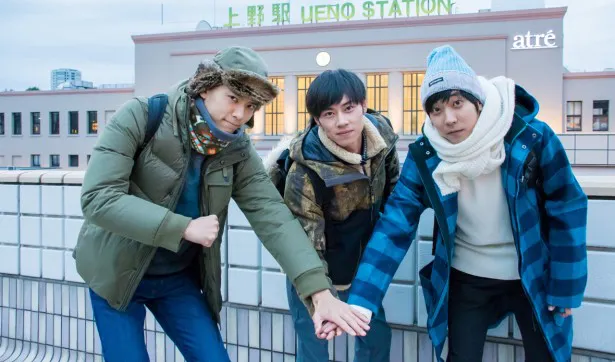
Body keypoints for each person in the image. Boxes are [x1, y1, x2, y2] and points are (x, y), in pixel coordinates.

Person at [74, 46, 369, 362]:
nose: (240, 114)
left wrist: (319, 293)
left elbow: (273, 216)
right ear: (206, 86)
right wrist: (183, 227)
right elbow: (98, 198)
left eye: (251, 105)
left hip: (176, 277)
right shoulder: (142, 116)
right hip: (116, 271)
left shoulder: (236, 148)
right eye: (233, 98)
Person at [325, 45, 587, 362]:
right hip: (467, 277)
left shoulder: (530, 136)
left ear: (478, 101)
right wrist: (362, 299)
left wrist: (566, 286)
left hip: (531, 272)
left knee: (546, 355)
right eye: (436, 110)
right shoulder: (427, 155)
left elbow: (567, 206)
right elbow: (396, 223)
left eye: (457, 103)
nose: (448, 119)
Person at [266, 69, 399, 362]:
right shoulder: (304, 171)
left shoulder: (383, 139)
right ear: (317, 119)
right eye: (329, 113)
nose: (342, 121)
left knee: (376, 338)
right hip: (312, 268)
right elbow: (305, 245)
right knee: (314, 346)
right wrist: (320, 296)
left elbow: (395, 197)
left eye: (349, 108)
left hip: (362, 266)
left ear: (364, 105)